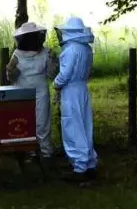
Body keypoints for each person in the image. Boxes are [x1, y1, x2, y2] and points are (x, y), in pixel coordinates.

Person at [53, 16, 98, 181]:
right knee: (86, 125)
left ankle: (79, 167)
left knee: (73, 126)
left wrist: (56, 84)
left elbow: (65, 74)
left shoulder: (70, 49)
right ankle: (90, 163)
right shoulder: (86, 49)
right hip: (82, 88)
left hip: (70, 90)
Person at [7, 21, 58, 159]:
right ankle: (29, 151)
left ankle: (45, 152)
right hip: (21, 92)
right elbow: (10, 76)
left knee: (42, 123)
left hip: (40, 92)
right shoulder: (17, 54)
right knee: (25, 121)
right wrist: (11, 70)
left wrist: (53, 62)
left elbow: (51, 75)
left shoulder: (46, 53)